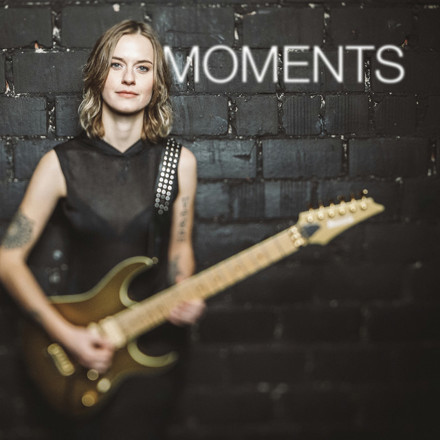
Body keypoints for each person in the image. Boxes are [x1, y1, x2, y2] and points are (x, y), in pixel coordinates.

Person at [0, 20, 205, 439]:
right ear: (98, 75)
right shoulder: (60, 164)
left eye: (143, 68)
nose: (129, 78)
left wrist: (185, 289)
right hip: (82, 346)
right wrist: (69, 337)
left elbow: (179, 248)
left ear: (156, 84)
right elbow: (7, 260)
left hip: (151, 350)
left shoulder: (178, 162)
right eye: (117, 64)